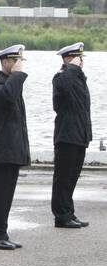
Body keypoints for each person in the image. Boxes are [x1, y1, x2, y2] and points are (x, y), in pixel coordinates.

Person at [0, 44, 30, 250]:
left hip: (10, 149)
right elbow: (8, 96)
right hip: (1, 149)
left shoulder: (9, 83)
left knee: (6, 195)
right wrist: (18, 76)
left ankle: (1, 232)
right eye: (16, 61)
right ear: (5, 62)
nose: (19, 65)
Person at [51, 42, 92, 229]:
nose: (81, 61)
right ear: (69, 58)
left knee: (72, 178)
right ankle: (61, 216)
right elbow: (64, 91)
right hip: (66, 135)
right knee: (63, 178)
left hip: (78, 135)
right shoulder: (61, 77)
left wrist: (87, 134)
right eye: (78, 57)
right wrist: (71, 67)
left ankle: (69, 212)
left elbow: (83, 109)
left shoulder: (78, 78)